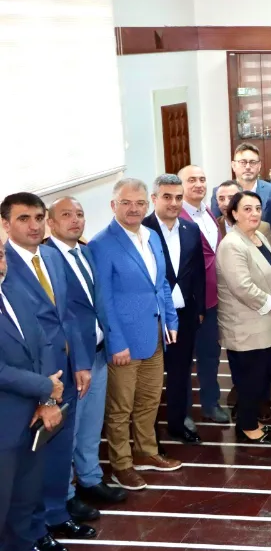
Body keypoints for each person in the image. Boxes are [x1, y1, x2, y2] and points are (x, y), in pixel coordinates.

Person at [2, 193, 95, 545]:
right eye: (24, 218)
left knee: (57, 451)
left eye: (39, 217)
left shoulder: (53, 258)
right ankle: (33, 529)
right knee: (29, 463)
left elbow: (68, 315)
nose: (34, 225)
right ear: (6, 224)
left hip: (66, 371)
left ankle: (57, 514)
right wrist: (44, 387)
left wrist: (82, 361)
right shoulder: (4, 264)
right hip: (31, 383)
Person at [89, 178, 181, 492]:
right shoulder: (102, 244)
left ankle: (146, 452)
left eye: (140, 203)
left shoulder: (152, 236)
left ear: (148, 204)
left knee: (149, 400)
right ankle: (122, 465)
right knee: (120, 408)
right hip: (124, 343)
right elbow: (104, 299)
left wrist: (171, 319)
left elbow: (162, 284)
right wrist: (116, 341)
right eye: (126, 202)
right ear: (113, 205)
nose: (134, 208)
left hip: (155, 335)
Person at [45, 198, 127, 510]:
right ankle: (66, 494)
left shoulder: (85, 250)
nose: (75, 220)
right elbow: (60, 316)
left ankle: (91, 478)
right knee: (70, 429)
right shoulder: (48, 258)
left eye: (79, 214)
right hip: (71, 362)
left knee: (92, 424)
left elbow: (99, 302)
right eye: (66, 215)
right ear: (51, 223)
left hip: (97, 352)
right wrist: (79, 360)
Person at [0, 243, 66, 551]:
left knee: (23, 506)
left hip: (33, 419)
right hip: (5, 426)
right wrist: (44, 386)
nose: (0, 261)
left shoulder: (13, 291)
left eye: (0, 253)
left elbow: (42, 343)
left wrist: (48, 400)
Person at [143, 174, 207, 443]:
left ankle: (178, 424)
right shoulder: (142, 230)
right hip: (154, 318)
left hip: (185, 316)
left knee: (181, 373)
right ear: (154, 198)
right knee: (151, 379)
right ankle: (148, 434)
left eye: (178, 197)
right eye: (167, 197)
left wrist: (200, 308)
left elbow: (198, 273)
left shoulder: (190, 229)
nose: (174, 203)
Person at [216, 191, 271, 444]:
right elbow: (242, 287)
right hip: (244, 326)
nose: (254, 213)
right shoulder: (232, 244)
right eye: (247, 209)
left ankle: (252, 419)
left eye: (257, 208)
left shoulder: (259, 238)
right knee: (248, 380)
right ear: (233, 213)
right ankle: (246, 426)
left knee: (261, 377)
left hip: (264, 324)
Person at [178, 165, 230, 425]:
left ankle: (211, 403)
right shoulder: (177, 218)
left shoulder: (208, 211)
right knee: (185, 361)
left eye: (202, 179)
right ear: (180, 186)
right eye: (191, 180)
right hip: (189, 304)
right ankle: (184, 412)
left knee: (210, 356)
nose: (198, 184)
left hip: (212, 301)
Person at [211, 142, 271, 216]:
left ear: (259, 166)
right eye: (242, 162)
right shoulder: (219, 192)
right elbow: (217, 223)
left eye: (252, 162)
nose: (248, 167)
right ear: (233, 165)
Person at [216, 180, 271, 246]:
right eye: (221, 199)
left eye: (231, 198)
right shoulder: (214, 226)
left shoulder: (262, 228)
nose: (226, 203)